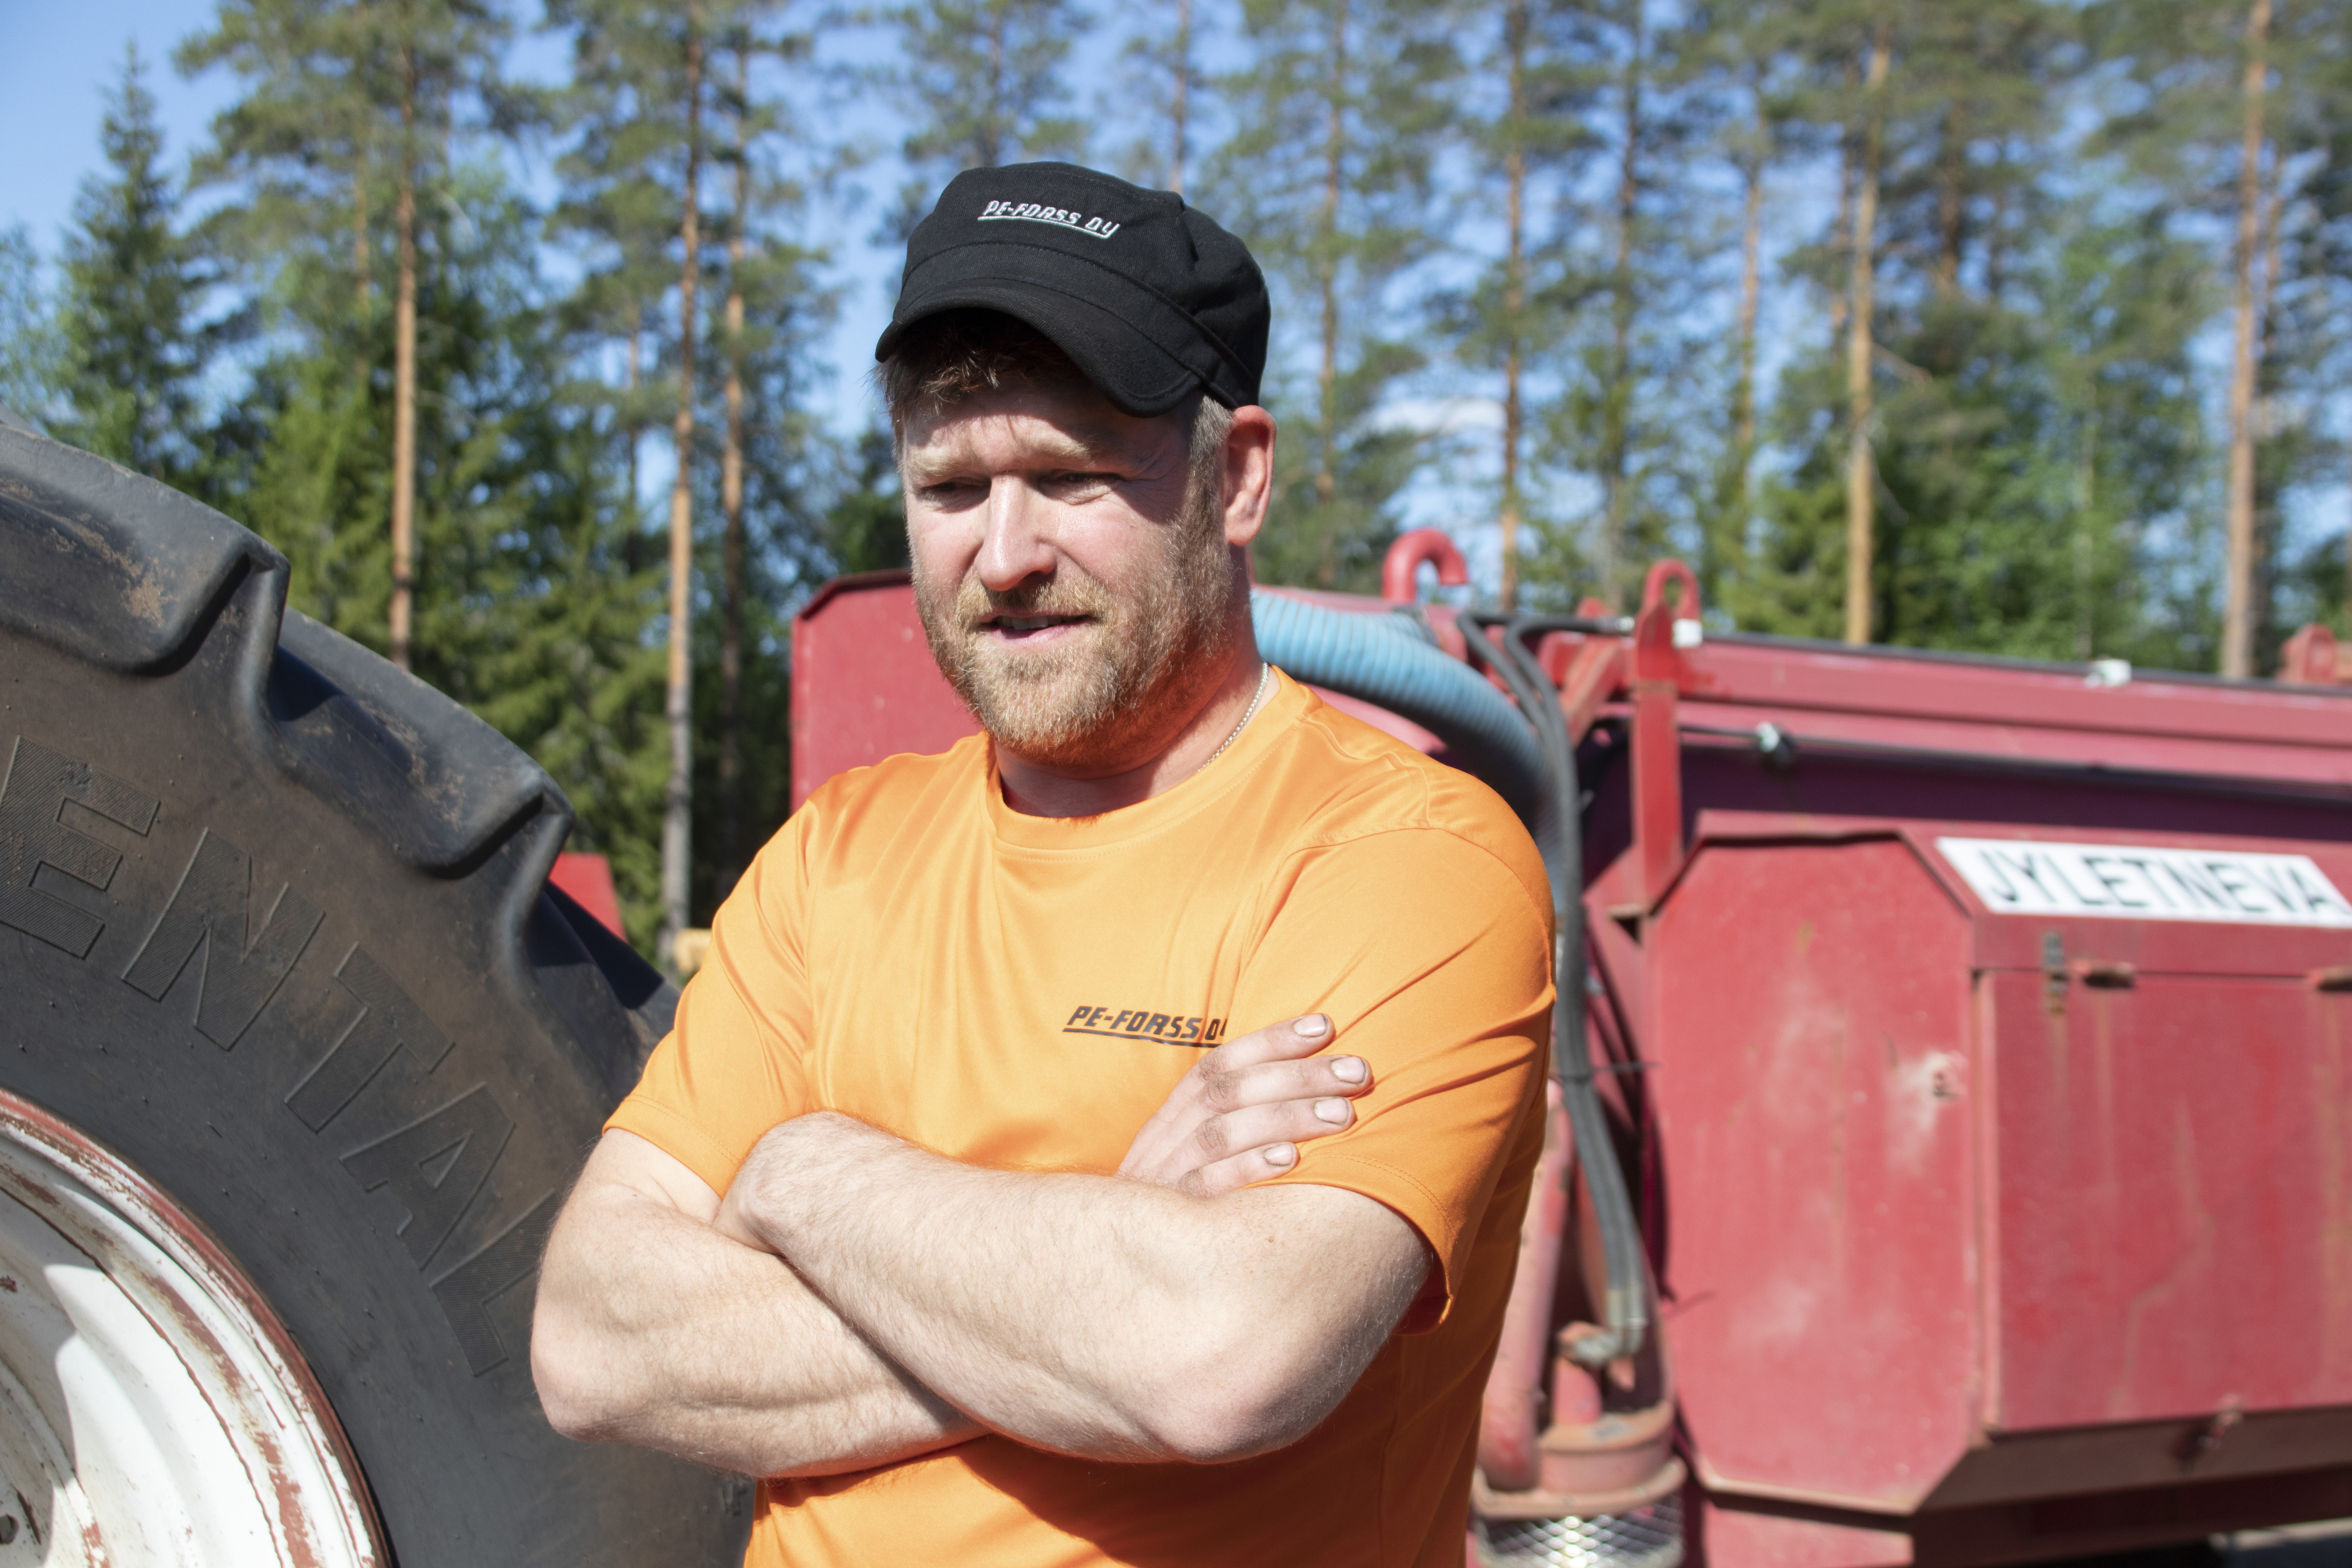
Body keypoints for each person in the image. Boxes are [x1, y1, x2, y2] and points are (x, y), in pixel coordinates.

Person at [531, 162, 1552, 1568]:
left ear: (1236, 476)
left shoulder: (1402, 861)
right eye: (951, 485)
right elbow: (594, 1339)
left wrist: (802, 1172)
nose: (1003, 555)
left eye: (1070, 476)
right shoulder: (842, 857)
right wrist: (1105, 1259)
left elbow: (1218, 1359)